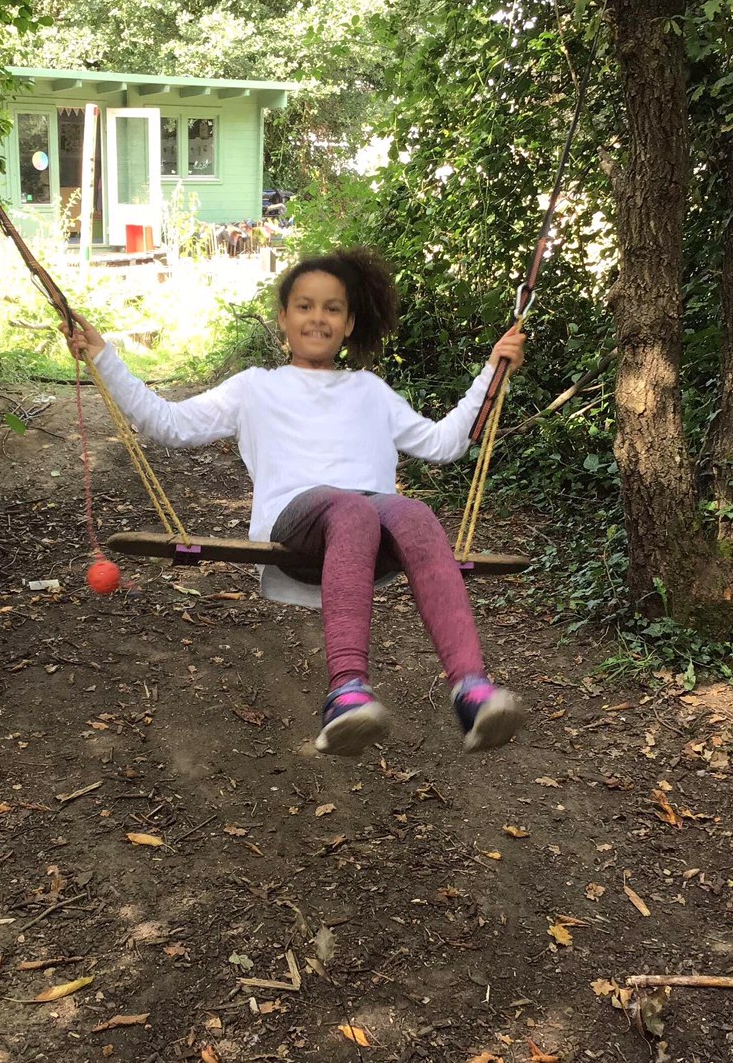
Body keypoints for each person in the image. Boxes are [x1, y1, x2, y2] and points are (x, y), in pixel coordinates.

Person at [60, 246, 526, 757]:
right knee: (349, 507)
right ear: (283, 318)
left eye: (332, 308)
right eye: (305, 306)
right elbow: (167, 423)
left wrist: (493, 371)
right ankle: (347, 693)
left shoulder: (370, 391)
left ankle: (472, 691)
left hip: (370, 533)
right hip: (299, 526)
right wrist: (102, 354)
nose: (317, 318)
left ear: (349, 323)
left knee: (412, 511)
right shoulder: (255, 388)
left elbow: (444, 444)